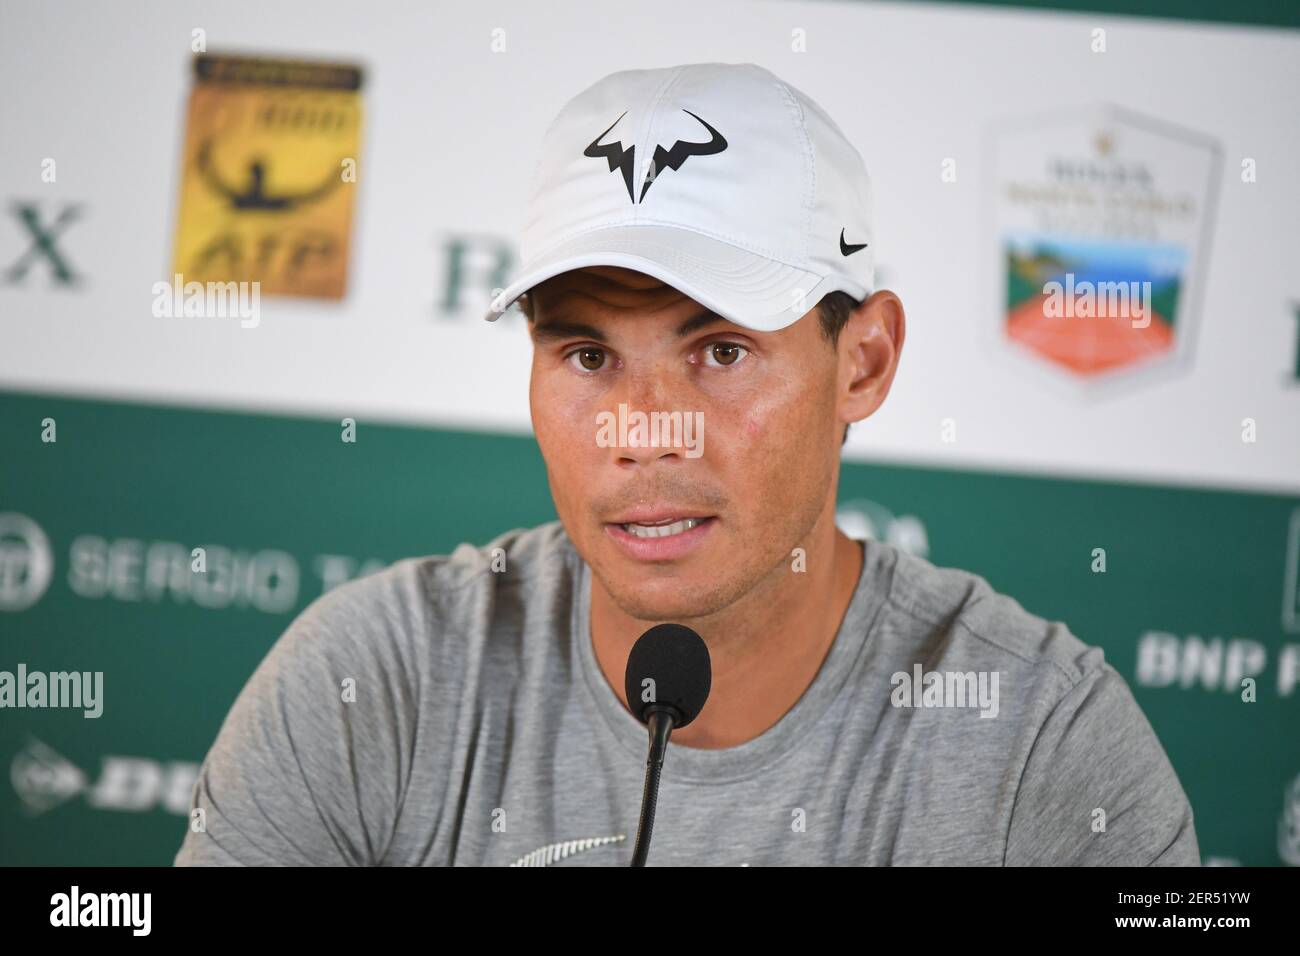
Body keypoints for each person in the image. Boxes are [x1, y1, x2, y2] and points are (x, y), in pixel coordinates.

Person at [174, 62, 1198, 866]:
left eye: (719, 350)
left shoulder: (1042, 744)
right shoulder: (371, 679)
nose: (643, 430)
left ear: (864, 361)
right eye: (586, 354)